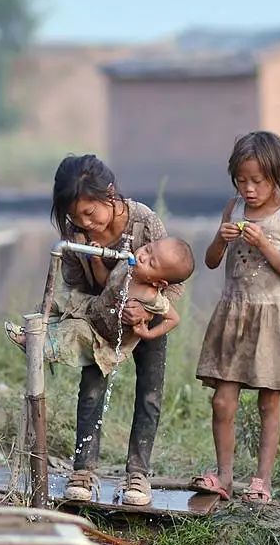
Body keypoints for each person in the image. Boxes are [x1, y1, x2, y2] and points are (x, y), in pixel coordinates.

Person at [46, 155, 184, 506]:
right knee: (92, 389)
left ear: (109, 194)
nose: (84, 223)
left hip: (146, 318)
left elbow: (174, 281)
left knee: (149, 393)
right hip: (101, 320)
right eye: (75, 217)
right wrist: (98, 280)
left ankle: (138, 474)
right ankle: (84, 470)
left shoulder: (144, 223)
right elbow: (75, 284)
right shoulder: (76, 233)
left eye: (90, 214)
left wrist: (143, 311)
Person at [191, 131, 280, 504]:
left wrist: (263, 244)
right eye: (242, 180)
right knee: (223, 401)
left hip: (271, 316)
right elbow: (211, 261)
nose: (249, 189)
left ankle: (262, 481)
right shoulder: (233, 208)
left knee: (268, 401)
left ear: (277, 175)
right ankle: (224, 476)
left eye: (257, 181)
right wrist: (222, 239)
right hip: (234, 312)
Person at [4, 237, 194, 376]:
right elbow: (106, 281)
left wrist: (148, 334)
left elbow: (174, 319)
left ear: (159, 283)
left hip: (103, 334)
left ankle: (35, 345)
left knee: (74, 331)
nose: (143, 256)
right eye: (148, 249)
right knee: (60, 299)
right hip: (94, 307)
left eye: (151, 262)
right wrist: (96, 261)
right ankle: (34, 326)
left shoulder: (151, 296)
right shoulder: (126, 265)